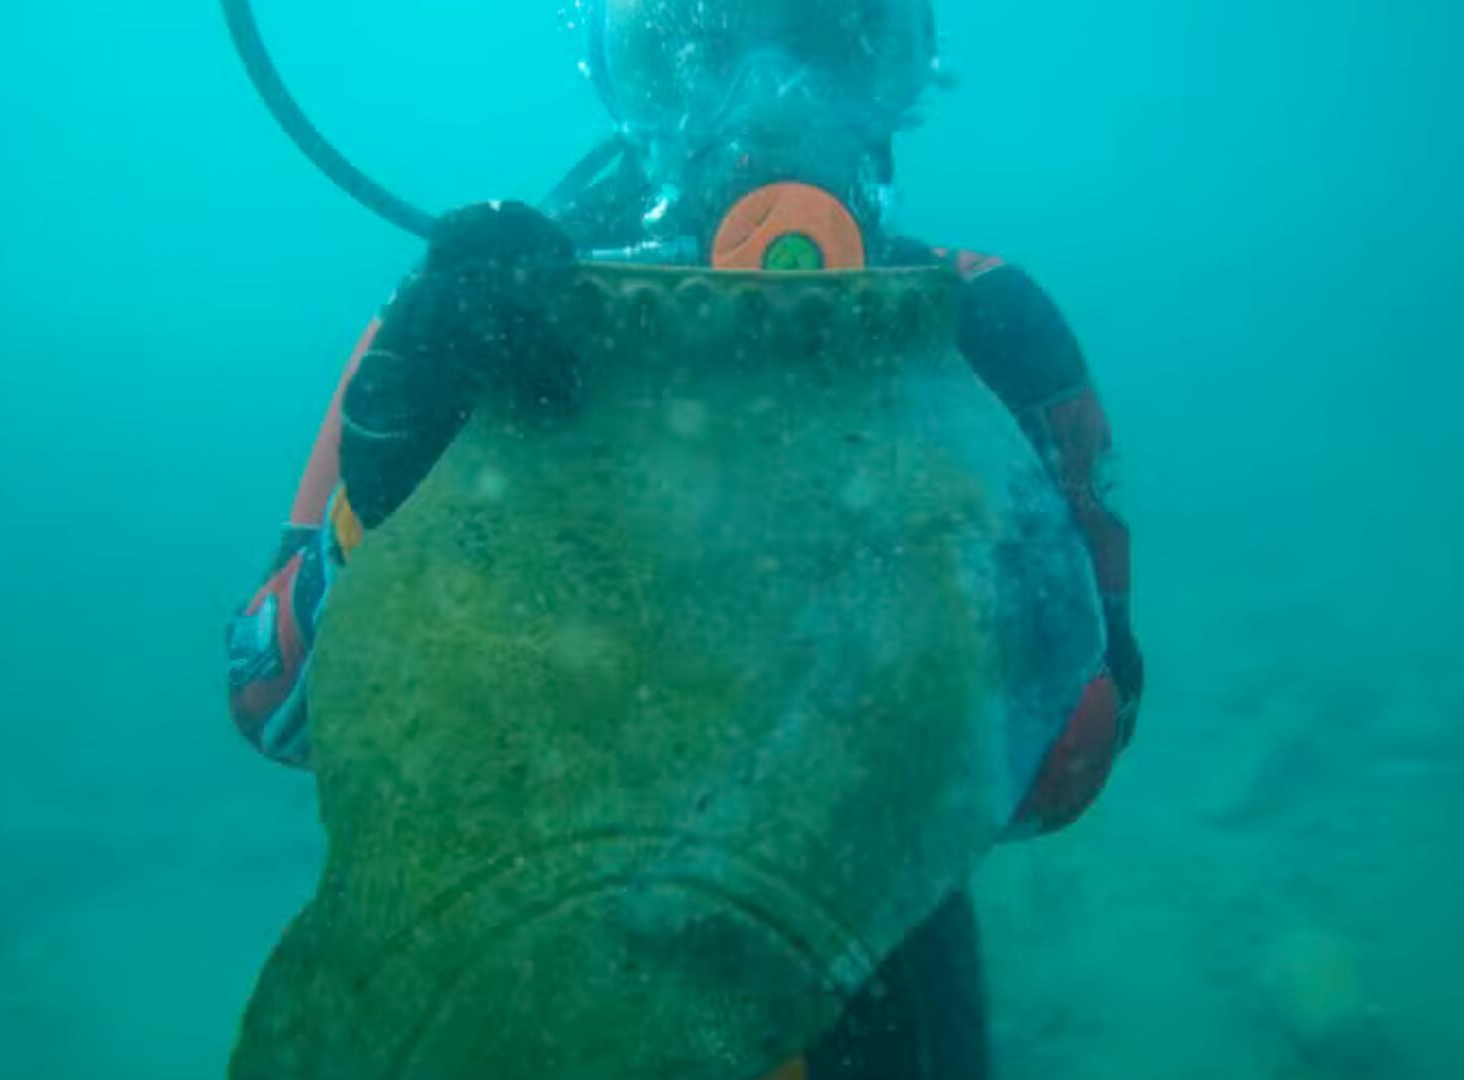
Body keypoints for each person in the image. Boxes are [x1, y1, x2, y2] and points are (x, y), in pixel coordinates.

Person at [224, 1, 1144, 1076]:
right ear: (624, 76)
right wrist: (380, 498)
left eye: (833, 44)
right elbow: (272, 704)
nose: (769, 102)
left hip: (865, 966)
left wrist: (959, 587)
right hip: (545, 981)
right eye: (692, 49)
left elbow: (1080, 749)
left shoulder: (986, 336)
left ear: (903, 70)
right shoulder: (477, 321)